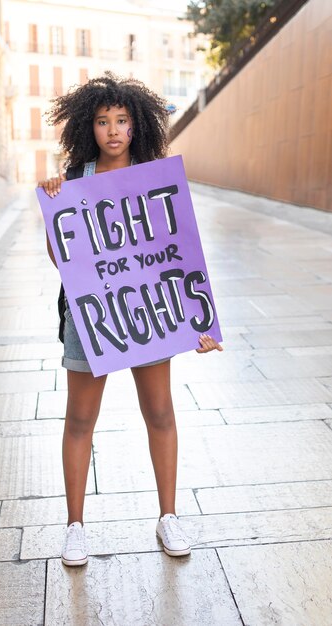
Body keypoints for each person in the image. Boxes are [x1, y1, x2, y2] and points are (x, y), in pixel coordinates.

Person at [38, 73, 223, 567]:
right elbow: (61, 258)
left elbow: (176, 257)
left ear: (137, 125)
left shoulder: (155, 178)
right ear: (89, 127)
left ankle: (168, 516)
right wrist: (56, 202)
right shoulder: (74, 181)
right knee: (80, 419)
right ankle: (75, 526)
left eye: (121, 120)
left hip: (148, 312)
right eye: (102, 121)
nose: (113, 130)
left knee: (160, 411)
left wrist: (197, 323)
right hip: (90, 315)